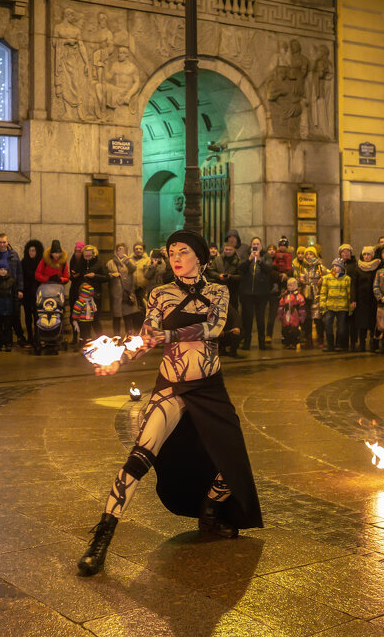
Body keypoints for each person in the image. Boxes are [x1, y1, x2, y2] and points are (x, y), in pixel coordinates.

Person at [77, 230, 262, 577]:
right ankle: (101, 540)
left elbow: (214, 327)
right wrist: (121, 358)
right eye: (171, 251)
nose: (176, 257)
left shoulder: (217, 291)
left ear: (201, 257)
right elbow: (147, 337)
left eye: (183, 251)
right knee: (138, 457)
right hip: (172, 386)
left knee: (232, 461)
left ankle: (209, 509)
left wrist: (170, 335)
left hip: (209, 387)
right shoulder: (159, 293)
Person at [0, 233, 24, 342]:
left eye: (4, 242)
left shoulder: (14, 255)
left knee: (13, 317)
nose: (2, 244)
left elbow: (19, 273)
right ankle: (0, 340)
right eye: (0, 242)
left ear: (7, 242)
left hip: (12, 292)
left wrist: (20, 289)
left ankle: (16, 338)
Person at [239, 237, 273, 351]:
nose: (256, 246)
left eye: (258, 244)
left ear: (261, 245)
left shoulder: (265, 256)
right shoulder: (246, 255)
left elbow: (269, 269)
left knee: (260, 319)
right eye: (254, 243)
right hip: (247, 293)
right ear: (251, 245)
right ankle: (246, 342)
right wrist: (249, 259)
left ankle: (262, 342)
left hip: (261, 293)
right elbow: (241, 268)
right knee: (248, 319)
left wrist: (259, 260)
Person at [319, 259, 353, 352]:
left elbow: (349, 293)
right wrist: (322, 304)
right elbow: (323, 292)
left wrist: (350, 307)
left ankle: (339, 344)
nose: (334, 268)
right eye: (333, 266)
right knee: (327, 325)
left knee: (341, 328)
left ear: (341, 268)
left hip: (343, 306)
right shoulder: (327, 278)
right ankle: (330, 344)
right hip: (330, 306)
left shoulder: (347, 279)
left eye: (337, 266)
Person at [350, 246, 379, 352]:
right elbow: (354, 285)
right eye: (365, 254)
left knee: (373, 323)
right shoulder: (358, 268)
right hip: (361, 300)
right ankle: (362, 344)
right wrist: (353, 299)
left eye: (369, 254)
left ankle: (374, 344)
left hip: (373, 299)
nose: (366, 257)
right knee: (361, 324)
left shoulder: (377, 267)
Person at [106, 243, 138, 334]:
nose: (121, 251)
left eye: (123, 250)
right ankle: (116, 338)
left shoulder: (129, 262)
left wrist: (127, 260)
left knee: (128, 316)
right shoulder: (110, 262)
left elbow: (133, 268)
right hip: (116, 293)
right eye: (119, 249)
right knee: (116, 317)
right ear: (116, 251)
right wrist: (111, 275)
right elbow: (105, 275)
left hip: (127, 293)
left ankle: (129, 337)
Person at [0, 258, 19, 351]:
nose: (3, 271)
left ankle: (8, 343)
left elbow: (15, 296)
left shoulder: (12, 281)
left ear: (7, 270)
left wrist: (16, 308)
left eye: (5, 269)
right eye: (1, 269)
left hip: (8, 309)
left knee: (8, 327)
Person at [21, 239, 45, 346]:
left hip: (38, 293)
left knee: (37, 316)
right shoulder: (23, 262)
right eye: (30, 251)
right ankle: (29, 336)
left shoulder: (41, 263)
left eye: (34, 251)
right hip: (26, 293)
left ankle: (37, 336)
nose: (32, 253)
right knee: (27, 316)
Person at [277, 277, 306, 349]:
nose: (289, 287)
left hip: (294, 315)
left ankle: (294, 343)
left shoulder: (298, 296)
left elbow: (302, 308)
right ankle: (287, 342)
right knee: (285, 329)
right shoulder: (284, 295)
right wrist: (280, 314)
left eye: (291, 285)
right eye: (288, 285)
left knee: (294, 330)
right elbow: (281, 305)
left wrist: (302, 316)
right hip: (286, 315)